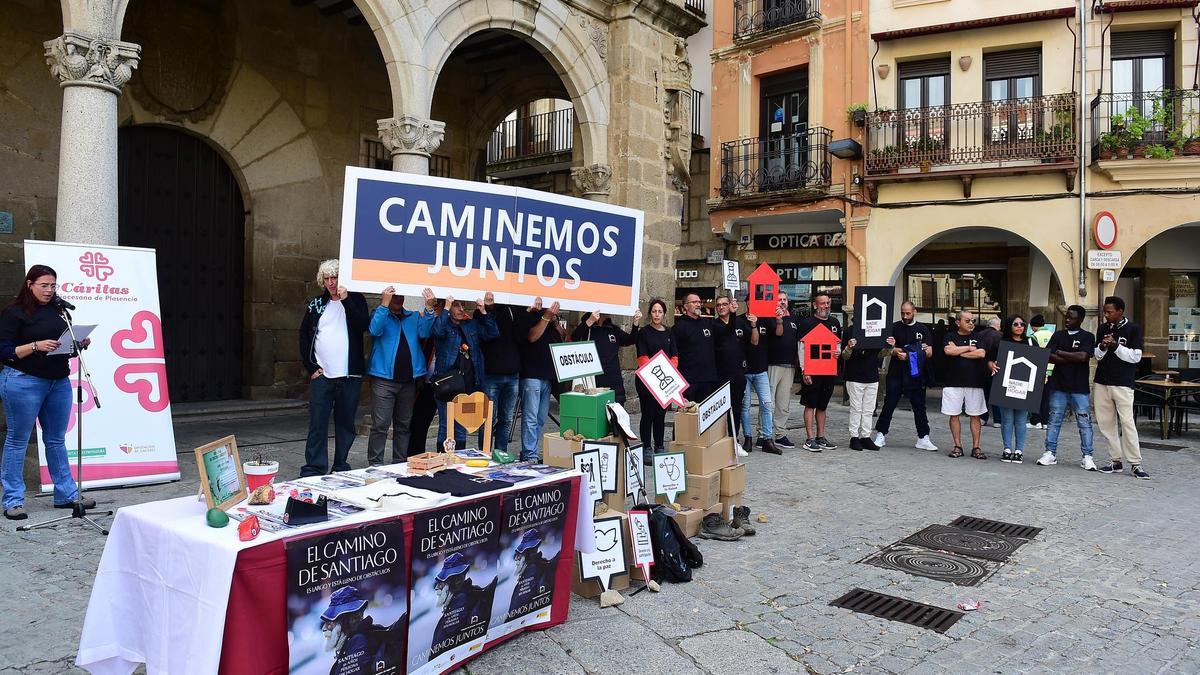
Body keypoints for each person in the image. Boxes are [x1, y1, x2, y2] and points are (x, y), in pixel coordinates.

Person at [0, 265, 95, 519]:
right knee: (17, 440)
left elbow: (64, 348)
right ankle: (12, 500)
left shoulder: (59, 311)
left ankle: (65, 493)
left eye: (53, 285)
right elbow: (4, 351)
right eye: (44, 285)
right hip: (23, 381)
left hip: (58, 382)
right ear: (30, 284)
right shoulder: (14, 312)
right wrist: (34, 346)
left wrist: (78, 345)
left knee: (55, 439)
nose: (49, 290)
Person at [299, 260, 369, 477]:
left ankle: (341, 464)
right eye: (327, 278)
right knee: (318, 423)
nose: (331, 282)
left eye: (335, 277)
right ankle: (314, 467)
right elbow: (304, 335)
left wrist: (347, 300)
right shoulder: (317, 304)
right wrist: (310, 366)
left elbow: (363, 325)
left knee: (346, 423)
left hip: (350, 374)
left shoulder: (356, 300)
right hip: (323, 375)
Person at [365, 285, 434, 465]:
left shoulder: (412, 317)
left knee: (403, 426)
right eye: (394, 296)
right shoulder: (379, 314)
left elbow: (425, 332)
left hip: (408, 382)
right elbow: (374, 330)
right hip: (383, 381)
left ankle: (400, 463)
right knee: (380, 426)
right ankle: (375, 465)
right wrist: (383, 304)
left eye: (401, 296)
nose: (398, 299)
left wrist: (428, 308)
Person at [430, 290, 499, 450]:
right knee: (446, 425)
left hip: (468, 384)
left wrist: (483, 311)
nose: (461, 309)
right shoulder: (444, 325)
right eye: (456, 305)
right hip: (447, 384)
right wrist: (446, 308)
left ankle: (458, 460)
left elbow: (492, 333)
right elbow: (436, 331)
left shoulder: (471, 324)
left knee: (462, 425)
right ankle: (443, 459)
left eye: (463, 305)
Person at [1093, 296, 1149, 479]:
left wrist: (1116, 346)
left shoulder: (1133, 329)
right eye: (1104, 311)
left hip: (1123, 383)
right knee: (1106, 423)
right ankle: (1115, 460)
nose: (1106, 315)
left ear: (1120, 311)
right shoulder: (1102, 329)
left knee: (1127, 423)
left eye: (1109, 312)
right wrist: (1102, 345)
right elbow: (1097, 356)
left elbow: (1135, 357)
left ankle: (1135, 463)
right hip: (1102, 381)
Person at [1037, 305, 1096, 470]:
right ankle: (1050, 452)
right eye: (1066, 317)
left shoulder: (1088, 336)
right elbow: (1048, 356)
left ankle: (1087, 456)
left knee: (1084, 422)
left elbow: (1084, 356)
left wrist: (1061, 353)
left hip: (1079, 386)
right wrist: (1072, 356)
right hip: (1058, 385)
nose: (1067, 320)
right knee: (1054, 420)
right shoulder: (1058, 335)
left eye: (1071, 317)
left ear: (1081, 319)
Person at [873, 301, 937, 451]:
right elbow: (887, 348)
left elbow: (930, 352)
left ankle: (923, 437)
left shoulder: (923, 329)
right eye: (903, 313)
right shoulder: (894, 327)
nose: (905, 316)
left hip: (916, 373)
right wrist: (896, 351)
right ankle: (881, 434)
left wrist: (911, 354)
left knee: (919, 406)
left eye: (908, 313)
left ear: (915, 311)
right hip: (896, 371)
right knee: (889, 403)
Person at [517, 298, 565, 461]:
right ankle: (530, 454)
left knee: (540, 418)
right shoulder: (530, 314)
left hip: (547, 376)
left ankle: (530, 451)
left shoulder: (550, 320)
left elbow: (562, 337)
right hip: (531, 375)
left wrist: (555, 321)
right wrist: (545, 317)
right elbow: (532, 337)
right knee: (530, 417)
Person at [319, 585, 404, 675]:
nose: (324, 627)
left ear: (346, 620)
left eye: (330, 622)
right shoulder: (353, 642)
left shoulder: (357, 641)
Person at [478, 299, 523, 460]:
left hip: (512, 374)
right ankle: (484, 454)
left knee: (506, 419)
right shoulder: (481, 311)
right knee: (488, 419)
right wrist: (486, 311)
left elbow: (521, 336)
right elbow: (489, 335)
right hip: (491, 374)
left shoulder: (513, 309)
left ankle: (501, 454)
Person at [798, 292, 842, 452]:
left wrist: (838, 352)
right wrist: (804, 371)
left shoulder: (834, 322)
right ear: (814, 305)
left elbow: (837, 344)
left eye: (828, 303)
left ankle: (820, 437)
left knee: (823, 405)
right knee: (810, 404)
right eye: (822, 303)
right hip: (812, 370)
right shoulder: (807, 323)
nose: (826, 306)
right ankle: (809, 439)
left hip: (828, 370)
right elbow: (801, 348)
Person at [986, 314, 1033, 463]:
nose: (1019, 327)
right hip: (1006, 384)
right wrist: (991, 365)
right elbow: (990, 360)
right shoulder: (1001, 342)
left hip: (1024, 386)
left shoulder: (1031, 342)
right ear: (1009, 326)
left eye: (1022, 324)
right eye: (1016, 324)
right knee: (1007, 419)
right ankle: (1007, 449)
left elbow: (1039, 362)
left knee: (1020, 420)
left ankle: (1019, 451)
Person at [942, 310, 989, 459]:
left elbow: (981, 353)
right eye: (967, 321)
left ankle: (976, 447)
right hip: (952, 381)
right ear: (958, 322)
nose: (971, 324)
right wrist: (969, 348)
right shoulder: (949, 336)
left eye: (972, 321)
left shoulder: (978, 337)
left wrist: (958, 351)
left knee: (975, 415)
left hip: (974, 382)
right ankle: (957, 446)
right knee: (953, 414)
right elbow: (948, 351)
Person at [572, 308, 641, 403]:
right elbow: (574, 338)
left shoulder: (612, 329)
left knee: (616, 414)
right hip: (594, 381)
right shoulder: (587, 329)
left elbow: (630, 340)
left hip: (613, 381)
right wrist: (590, 321)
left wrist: (636, 323)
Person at [431, 552, 497, 650]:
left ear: (457, 580)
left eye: (442, 583)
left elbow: (447, 642)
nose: (437, 588)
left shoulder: (461, 600)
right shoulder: (459, 598)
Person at [635, 298, 676, 451]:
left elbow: (674, 356)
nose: (657, 314)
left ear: (664, 314)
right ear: (650, 313)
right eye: (654, 311)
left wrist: (667, 372)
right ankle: (646, 446)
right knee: (648, 414)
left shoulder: (669, 332)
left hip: (664, 382)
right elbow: (642, 357)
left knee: (660, 415)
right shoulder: (644, 333)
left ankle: (659, 445)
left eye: (660, 311)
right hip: (647, 381)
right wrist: (655, 376)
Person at [740, 304, 778, 454]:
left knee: (767, 404)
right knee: (745, 405)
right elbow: (753, 342)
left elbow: (778, 334)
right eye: (752, 301)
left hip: (761, 370)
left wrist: (779, 319)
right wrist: (753, 326)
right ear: (748, 303)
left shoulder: (766, 320)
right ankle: (748, 437)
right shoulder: (739, 320)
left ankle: (767, 438)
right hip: (744, 370)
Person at [713, 295, 748, 449]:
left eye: (724, 304)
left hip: (738, 373)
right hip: (721, 374)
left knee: (736, 408)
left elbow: (752, 342)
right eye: (718, 305)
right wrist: (733, 314)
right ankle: (721, 440)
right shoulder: (713, 325)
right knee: (721, 409)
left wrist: (753, 326)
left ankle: (735, 439)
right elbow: (727, 331)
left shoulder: (740, 322)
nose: (721, 307)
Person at [842, 333, 887, 451]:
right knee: (856, 408)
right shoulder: (850, 331)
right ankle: (854, 436)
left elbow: (881, 354)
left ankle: (866, 436)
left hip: (872, 375)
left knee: (869, 409)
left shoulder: (876, 332)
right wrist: (849, 347)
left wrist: (889, 346)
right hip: (855, 376)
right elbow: (844, 356)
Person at [767, 291, 801, 448]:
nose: (782, 302)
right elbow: (776, 335)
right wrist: (778, 319)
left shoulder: (794, 319)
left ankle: (780, 434)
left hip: (789, 366)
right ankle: (764, 434)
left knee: (783, 403)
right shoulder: (769, 317)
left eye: (784, 299)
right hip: (773, 364)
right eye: (779, 299)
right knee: (768, 402)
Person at [673, 292, 718, 402]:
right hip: (689, 381)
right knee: (689, 415)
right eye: (694, 302)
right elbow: (674, 353)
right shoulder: (678, 327)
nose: (698, 304)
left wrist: (732, 314)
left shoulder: (707, 323)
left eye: (699, 302)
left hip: (708, 379)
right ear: (686, 306)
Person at [1027, 314, 1054, 428]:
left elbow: (1033, 354)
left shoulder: (1033, 337)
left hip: (1038, 369)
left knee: (1036, 396)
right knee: (1047, 397)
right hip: (1052, 369)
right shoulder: (1052, 334)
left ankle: (1036, 421)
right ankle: (1045, 422)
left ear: (1033, 327)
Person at [976, 317, 1003, 427]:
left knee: (983, 394)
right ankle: (998, 420)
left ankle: (983, 418)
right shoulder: (1000, 335)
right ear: (998, 325)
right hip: (995, 367)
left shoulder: (978, 334)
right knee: (996, 394)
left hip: (980, 368)